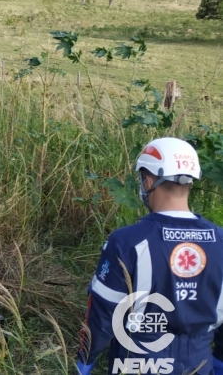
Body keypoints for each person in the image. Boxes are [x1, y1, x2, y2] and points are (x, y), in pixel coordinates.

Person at [77, 137, 223, 375]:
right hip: (199, 361)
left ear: (149, 181)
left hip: (136, 361)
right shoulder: (220, 241)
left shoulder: (127, 241)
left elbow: (102, 314)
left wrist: (85, 361)